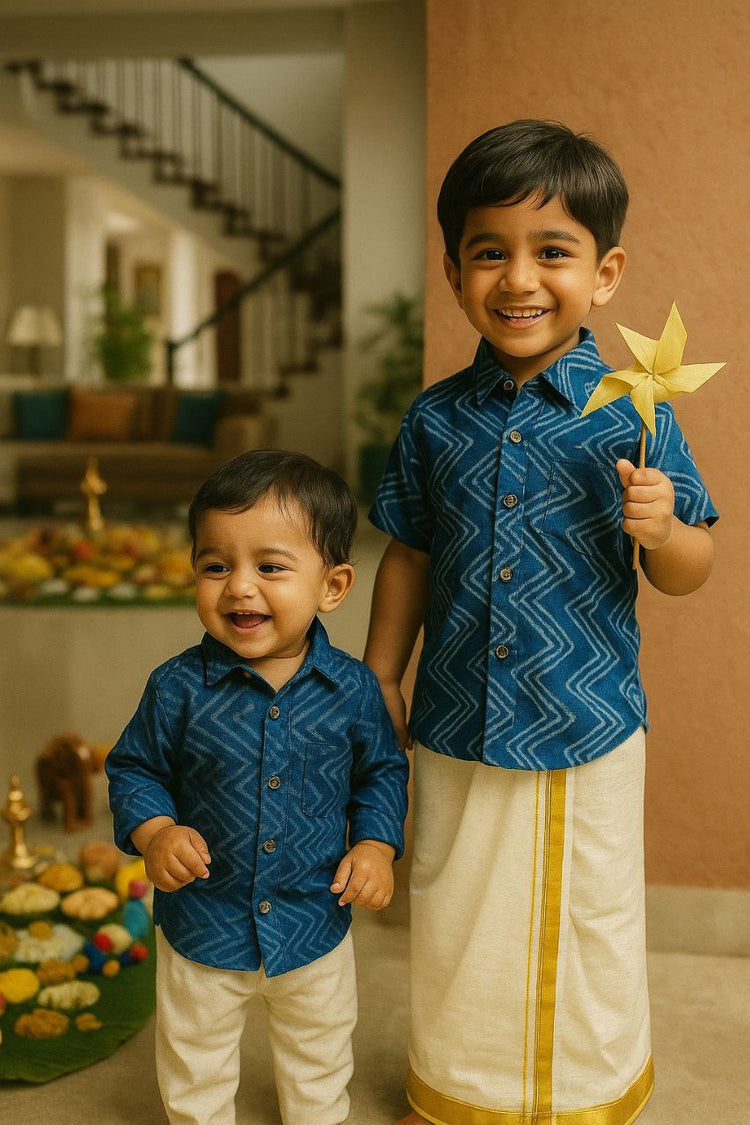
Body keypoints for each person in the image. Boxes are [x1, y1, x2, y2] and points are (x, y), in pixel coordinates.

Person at [365, 120, 717, 1125]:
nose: (519, 279)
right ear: (454, 271)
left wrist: (665, 531)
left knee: (584, 919)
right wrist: (381, 675)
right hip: (454, 721)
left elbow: (692, 566)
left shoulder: (635, 411)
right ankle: (459, 1090)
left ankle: (583, 1096)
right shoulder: (434, 420)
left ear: (603, 274)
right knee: (458, 911)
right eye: (491, 253)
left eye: (552, 252)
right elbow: (411, 553)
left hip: (584, 722)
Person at [106, 449, 409, 1125]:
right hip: (203, 918)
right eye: (216, 565)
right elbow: (136, 767)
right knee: (195, 1051)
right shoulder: (177, 687)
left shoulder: (353, 690)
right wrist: (155, 830)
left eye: (269, 566)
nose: (239, 586)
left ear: (332, 586)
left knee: (319, 1047)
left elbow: (381, 772)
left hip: (312, 920)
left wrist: (377, 845)